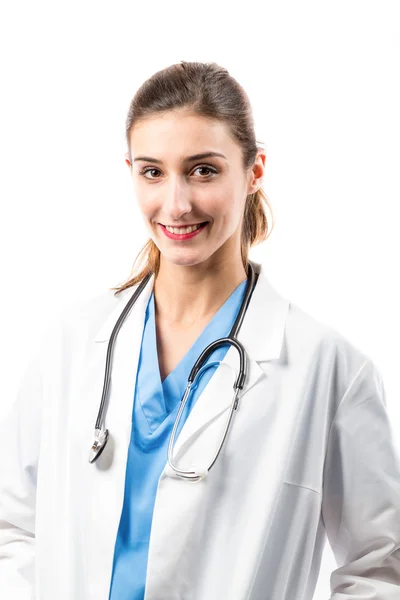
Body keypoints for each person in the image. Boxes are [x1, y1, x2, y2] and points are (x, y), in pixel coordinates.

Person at [1, 60, 399, 600]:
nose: (176, 203)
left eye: (203, 170)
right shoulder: (70, 343)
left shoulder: (328, 369)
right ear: (131, 172)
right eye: (153, 172)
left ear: (254, 170)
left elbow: (378, 568)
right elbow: (13, 528)